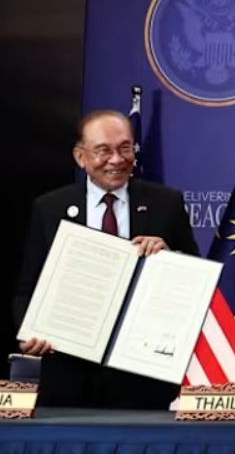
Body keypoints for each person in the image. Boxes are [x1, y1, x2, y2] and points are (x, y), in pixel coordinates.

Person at [14, 109, 199, 409]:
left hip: (142, 375)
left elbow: (194, 277)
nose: (116, 159)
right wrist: (30, 334)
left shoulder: (166, 203)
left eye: (125, 148)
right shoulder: (49, 207)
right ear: (80, 156)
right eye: (103, 150)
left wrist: (168, 255)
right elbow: (27, 288)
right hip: (67, 372)